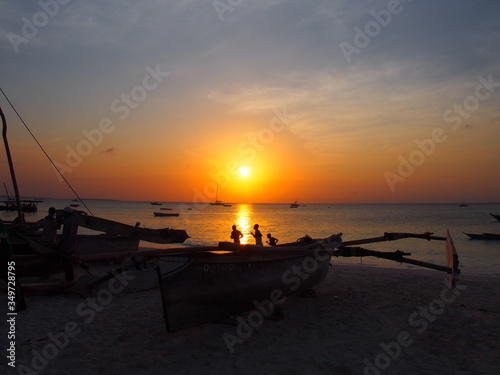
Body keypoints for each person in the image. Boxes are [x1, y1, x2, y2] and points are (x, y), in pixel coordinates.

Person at [58, 206, 79, 281]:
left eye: (64, 213)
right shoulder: (75, 218)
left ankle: (69, 279)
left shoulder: (67, 221)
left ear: (66, 213)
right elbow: (76, 214)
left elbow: (65, 234)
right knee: (70, 262)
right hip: (73, 243)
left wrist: (60, 242)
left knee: (66, 263)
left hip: (66, 245)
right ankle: (71, 278)